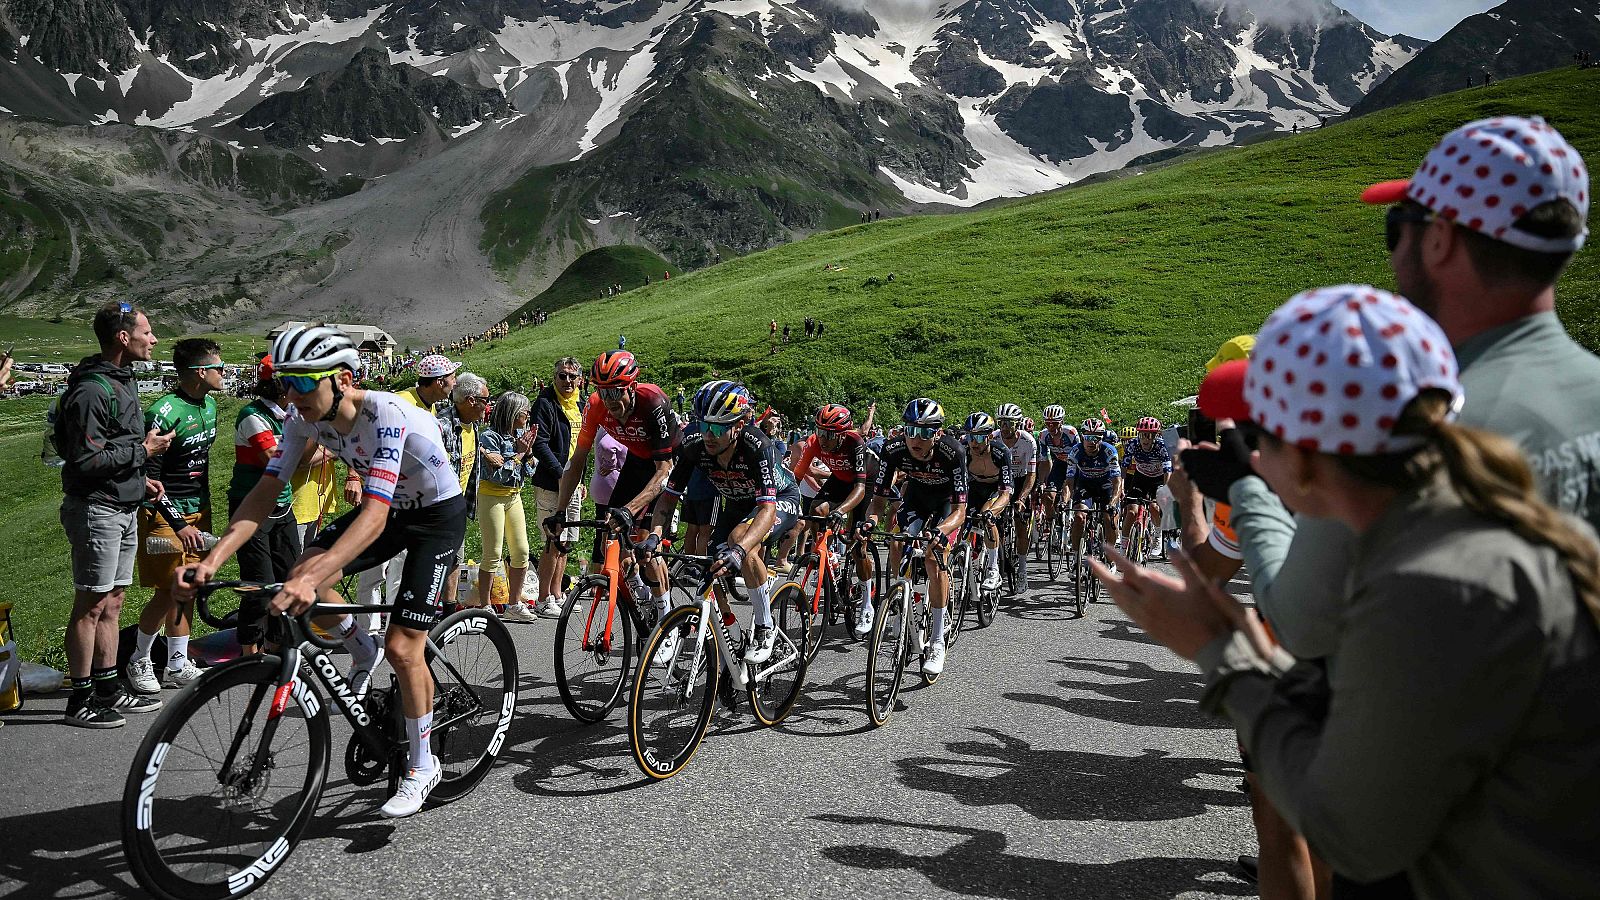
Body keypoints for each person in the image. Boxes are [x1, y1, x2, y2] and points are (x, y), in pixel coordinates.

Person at [1094, 284, 1600, 899]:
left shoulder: (1416, 581)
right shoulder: (1467, 522)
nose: (1245, 454)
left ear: (1304, 455)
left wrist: (1226, 659)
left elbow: (1354, 833)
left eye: (1258, 438)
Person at [178, 325, 468, 819]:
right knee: (302, 566)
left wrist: (311, 579)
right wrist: (211, 560)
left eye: (304, 383)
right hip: (392, 509)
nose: (292, 394)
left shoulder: (386, 415)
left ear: (343, 379)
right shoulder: (301, 418)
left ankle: (423, 766)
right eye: (285, 382)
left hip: (435, 515)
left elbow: (374, 516)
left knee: (404, 646)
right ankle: (361, 646)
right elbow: (264, 494)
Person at [56, 302, 171, 727]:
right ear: (124, 338)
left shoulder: (121, 381)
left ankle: (107, 688)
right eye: (147, 332)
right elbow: (85, 461)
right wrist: (144, 451)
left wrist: (141, 482)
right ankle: (80, 699)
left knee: (114, 601)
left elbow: (112, 450)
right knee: (90, 603)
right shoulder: (92, 390)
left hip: (122, 505)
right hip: (96, 510)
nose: (153, 339)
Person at [653, 381, 802, 664]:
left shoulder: (758, 445)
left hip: (779, 500)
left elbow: (767, 511)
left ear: (739, 425)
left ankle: (764, 625)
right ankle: (731, 630)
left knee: (739, 541)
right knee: (710, 568)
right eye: (704, 424)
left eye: (719, 428)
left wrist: (741, 550)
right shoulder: (695, 445)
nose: (709, 434)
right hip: (736, 504)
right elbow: (668, 498)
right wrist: (654, 536)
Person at [542, 350, 680, 632]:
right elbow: (577, 461)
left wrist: (630, 510)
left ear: (631, 385)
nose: (610, 400)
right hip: (638, 462)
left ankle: (667, 619)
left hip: (670, 463)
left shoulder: (652, 401)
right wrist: (559, 511)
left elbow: (664, 470)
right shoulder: (595, 405)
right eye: (603, 392)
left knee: (644, 542)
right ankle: (642, 597)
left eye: (616, 391)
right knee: (613, 537)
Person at [125, 338, 223, 693]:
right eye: (219, 368)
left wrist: (201, 514)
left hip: (198, 509)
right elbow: (150, 478)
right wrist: (178, 523)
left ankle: (177, 663)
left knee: (189, 587)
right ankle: (138, 658)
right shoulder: (164, 412)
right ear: (200, 372)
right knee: (167, 591)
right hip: (164, 515)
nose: (223, 374)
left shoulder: (210, 406)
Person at [862, 399, 967, 676]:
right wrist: (870, 522)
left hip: (946, 505)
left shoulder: (952, 452)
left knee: (934, 557)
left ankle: (936, 641)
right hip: (917, 498)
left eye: (923, 432)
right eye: (910, 430)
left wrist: (940, 531)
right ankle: (900, 600)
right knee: (897, 541)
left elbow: (960, 512)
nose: (915, 439)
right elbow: (878, 500)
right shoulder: (893, 449)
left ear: (937, 433)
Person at [228, 355, 302, 655]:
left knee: (289, 579)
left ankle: (276, 646)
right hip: (252, 507)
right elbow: (275, 460)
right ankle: (249, 652)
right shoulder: (252, 414)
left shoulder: (292, 413)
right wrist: (312, 448)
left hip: (282, 505)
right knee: (259, 586)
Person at [791, 404, 878, 629]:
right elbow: (797, 477)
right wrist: (785, 506)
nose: (822, 438)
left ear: (841, 434)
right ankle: (822, 554)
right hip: (840, 479)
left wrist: (840, 511)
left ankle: (867, 603)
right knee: (816, 511)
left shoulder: (855, 443)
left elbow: (858, 490)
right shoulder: (813, 442)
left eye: (828, 434)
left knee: (859, 542)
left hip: (864, 480)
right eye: (819, 431)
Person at [530, 358, 587, 617]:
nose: (566, 381)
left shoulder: (580, 404)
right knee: (552, 540)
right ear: (554, 377)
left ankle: (557, 593)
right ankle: (543, 598)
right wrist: (560, 473)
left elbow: (581, 447)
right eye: (561, 376)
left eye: (571, 377)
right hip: (551, 483)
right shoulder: (545, 403)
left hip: (572, 483)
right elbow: (539, 444)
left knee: (567, 542)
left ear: (580, 380)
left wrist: (579, 479)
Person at [477, 390, 538, 618]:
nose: (528, 415)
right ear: (512, 413)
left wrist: (528, 452)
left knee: (522, 551)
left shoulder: (521, 435)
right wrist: (520, 455)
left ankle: (513, 604)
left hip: (514, 496)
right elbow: (497, 475)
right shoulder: (490, 437)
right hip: (491, 496)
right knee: (492, 553)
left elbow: (530, 471)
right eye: (525, 411)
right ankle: (485, 606)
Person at [435, 373, 487, 611]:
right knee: (435, 560)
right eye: (485, 400)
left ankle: (448, 610)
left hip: (458, 505)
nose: (488, 406)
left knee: (456, 556)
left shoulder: (472, 426)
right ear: (469, 400)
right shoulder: (443, 425)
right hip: (438, 507)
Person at [959, 412, 1013, 591]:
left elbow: (1006, 492)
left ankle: (993, 569)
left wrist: (994, 511)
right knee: (959, 520)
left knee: (987, 518)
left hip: (995, 489)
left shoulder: (1001, 452)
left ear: (990, 437)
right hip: (973, 488)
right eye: (970, 436)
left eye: (980, 437)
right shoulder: (964, 450)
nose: (974, 442)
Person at [1064, 417, 1122, 564]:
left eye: (1096, 438)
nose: (1092, 441)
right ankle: (1076, 557)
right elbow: (1069, 482)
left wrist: (1113, 503)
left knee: (1109, 519)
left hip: (1106, 486)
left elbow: (1117, 482)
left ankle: (1110, 557)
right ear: (1082, 436)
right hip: (1086, 485)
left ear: (1101, 438)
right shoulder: (1075, 451)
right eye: (1088, 437)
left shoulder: (1109, 451)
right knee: (1079, 517)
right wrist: (1064, 501)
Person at [994, 404, 1037, 586]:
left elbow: (1031, 474)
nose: (1004, 428)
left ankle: (1022, 569)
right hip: (1001, 480)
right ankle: (998, 560)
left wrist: (1022, 498)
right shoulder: (993, 438)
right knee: (995, 523)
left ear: (1018, 424)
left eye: (1009, 424)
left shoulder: (1028, 441)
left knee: (1020, 524)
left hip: (1021, 480)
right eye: (1001, 423)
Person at [1118, 417, 1171, 551]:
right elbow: (1124, 468)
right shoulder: (1132, 444)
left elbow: (1167, 471)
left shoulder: (1162, 446)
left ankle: (1158, 535)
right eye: (1142, 435)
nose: (1145, 439)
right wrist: (1122, 487)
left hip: (1158, 479)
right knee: (1131, 512)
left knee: (1154, 507)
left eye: (1149, 435)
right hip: (1140, 477)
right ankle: (1123, 547)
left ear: (1156, 436)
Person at [1036, 405, 1077, 532]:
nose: (1051, 426)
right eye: (1047, 423)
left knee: (1067, 488)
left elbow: (1080, 453)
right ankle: (1053, 523)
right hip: (1059, 464)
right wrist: (1042, 482)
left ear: (1062, 422)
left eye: (1054, 423)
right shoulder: (1043, 435)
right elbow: (1043, 460)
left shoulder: (1070, 433)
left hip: (1075, 464)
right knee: (1048, 496)